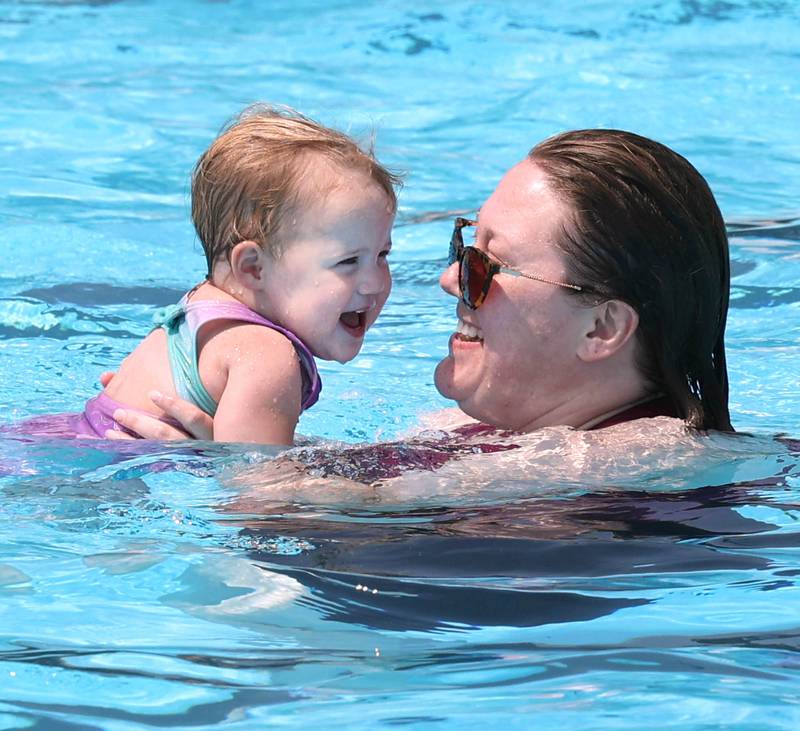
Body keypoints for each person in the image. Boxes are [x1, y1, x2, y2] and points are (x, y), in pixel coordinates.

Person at [105, 128, 733, 466]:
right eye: (466, 247)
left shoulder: (633, 459)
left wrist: (222, 467)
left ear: (601, 330)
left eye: (492, 265)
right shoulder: (500, 434)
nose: (452, 280)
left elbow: (272, 516)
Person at [20, 104, 399, 445]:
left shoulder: (201, 308)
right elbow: (261, 503)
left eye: (382, 254)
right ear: (253, 268)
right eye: (348, 262)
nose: (375, 282)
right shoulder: (264, 355)